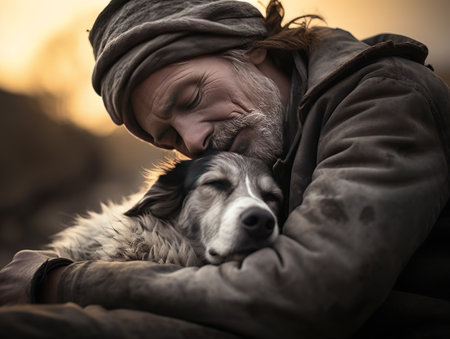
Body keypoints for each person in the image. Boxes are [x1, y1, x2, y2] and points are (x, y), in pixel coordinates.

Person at [1, 0, 449, 337]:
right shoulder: (271, 137)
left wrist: (67, 281)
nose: (193, 140)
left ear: (250, 48)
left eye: (191, 98)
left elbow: (310, 291)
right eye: (170, 137)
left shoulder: (382, 98)